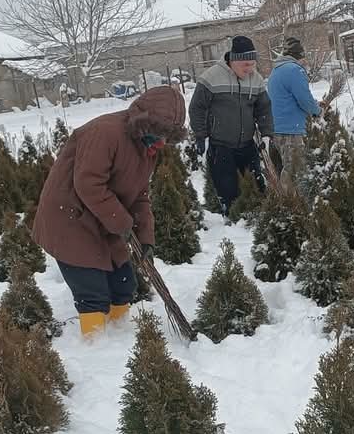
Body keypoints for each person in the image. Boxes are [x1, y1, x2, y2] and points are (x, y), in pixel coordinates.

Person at [33, 85, 186, 337]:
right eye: (160, 134)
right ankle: (95, 346)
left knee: (124, 285)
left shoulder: (147, 149)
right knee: (92, 292)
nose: (162, 142)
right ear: (144, 122)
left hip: (104, 218)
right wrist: (122, 222)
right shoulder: (104, 133)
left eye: (167, 136)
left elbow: (139, 194)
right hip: (71, 218)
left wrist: (145, 236)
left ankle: (118, 336)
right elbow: (89, 184)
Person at [189, 35, 273, 214]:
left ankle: (258, 225)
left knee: (258, 189)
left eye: (253, 64)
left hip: (247, 145)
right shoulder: (210, 78)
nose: (250, 69)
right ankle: (233, 224)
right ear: (234, 61)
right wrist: (200, 136)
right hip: (221, 147)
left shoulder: (255, 79)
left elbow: (264, 108)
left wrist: (266, 134)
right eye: (246, 65)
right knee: (229, 195)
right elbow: (197, 108)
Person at [267, 36, 321, 176]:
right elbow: (304, 100)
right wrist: (317, 110)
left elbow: (287, 97)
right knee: (295, 174)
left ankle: (283, 197)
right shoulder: (295, 70)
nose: (304, 62)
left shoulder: (275, 71)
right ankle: (292, 198)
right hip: (292, 130)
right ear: (299, 56)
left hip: (277, 130)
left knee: (283, 172)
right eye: (303, 58)